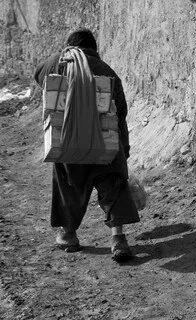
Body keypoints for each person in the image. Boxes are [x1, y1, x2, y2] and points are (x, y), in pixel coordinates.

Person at [34, 28, 139, 262]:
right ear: (94, 48)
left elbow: (39, 74)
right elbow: (119, 113)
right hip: (103, 143)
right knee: (113, 186)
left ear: (70, 46)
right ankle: (118, 240)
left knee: (67, 186)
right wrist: (124, 147)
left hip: (68, 143)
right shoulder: (107, 71)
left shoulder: (57, 62)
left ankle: (69, 235)